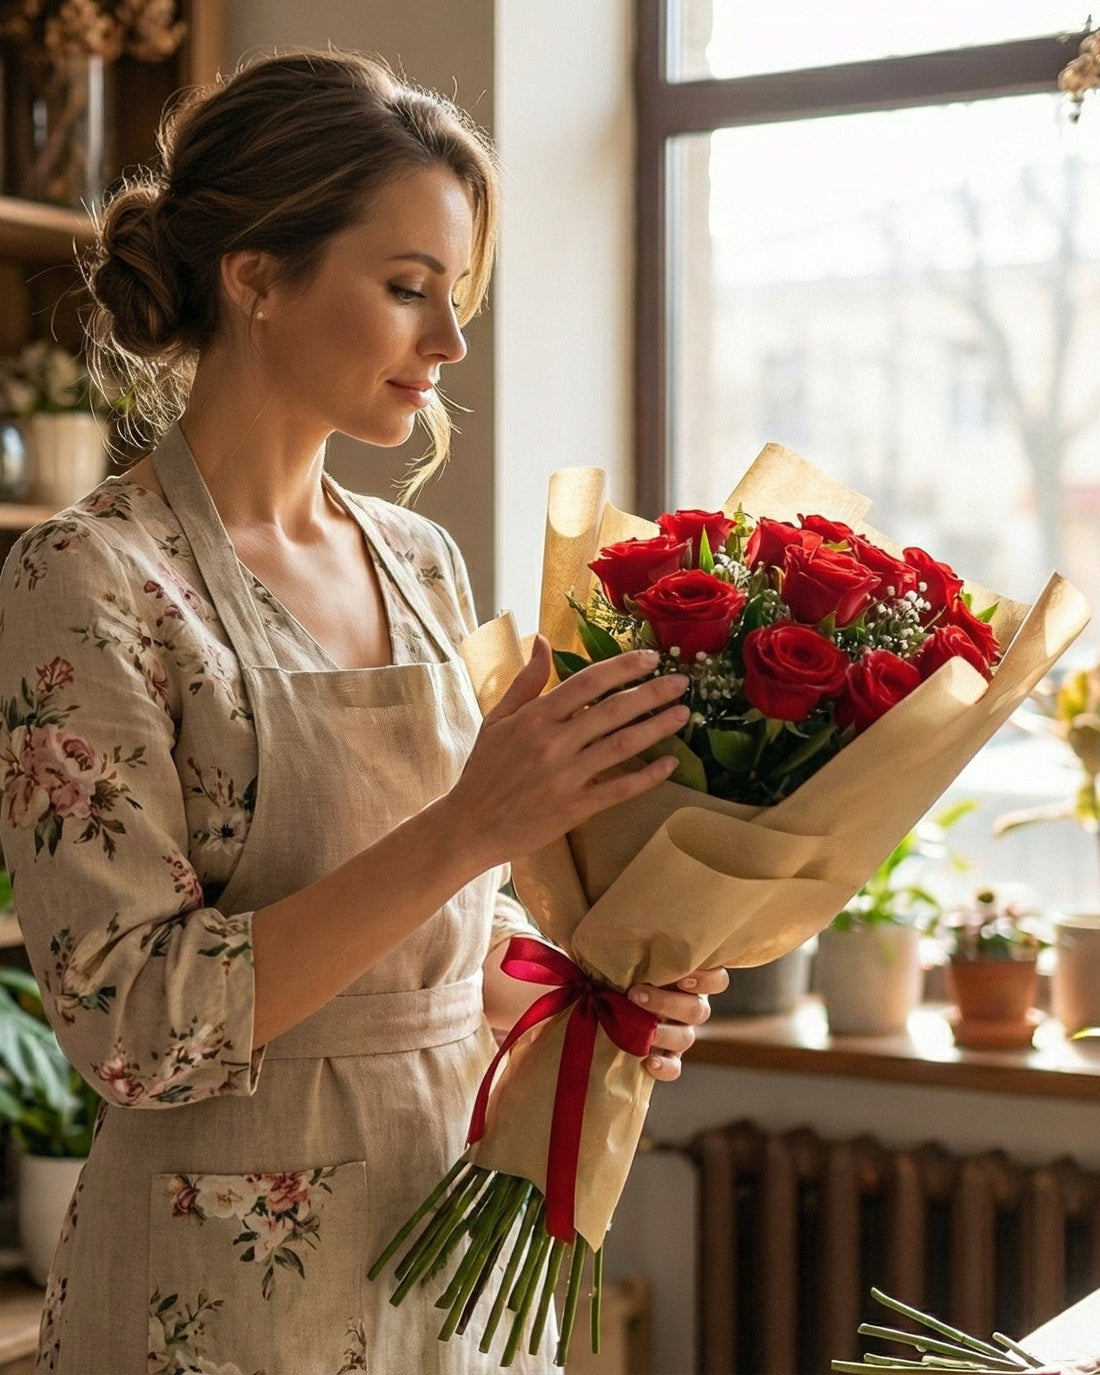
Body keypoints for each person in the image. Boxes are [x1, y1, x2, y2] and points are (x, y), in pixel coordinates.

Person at [0, 49, 728, 1374]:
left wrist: (590, 991)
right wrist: (467, 827)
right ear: (257, 277)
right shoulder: (86, 578)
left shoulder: (420, 559)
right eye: (406, 292)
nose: (449, 346)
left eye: (457, 300)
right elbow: (133, 1028)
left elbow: (442, 938)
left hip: (451, 1239)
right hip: (215, 1297)